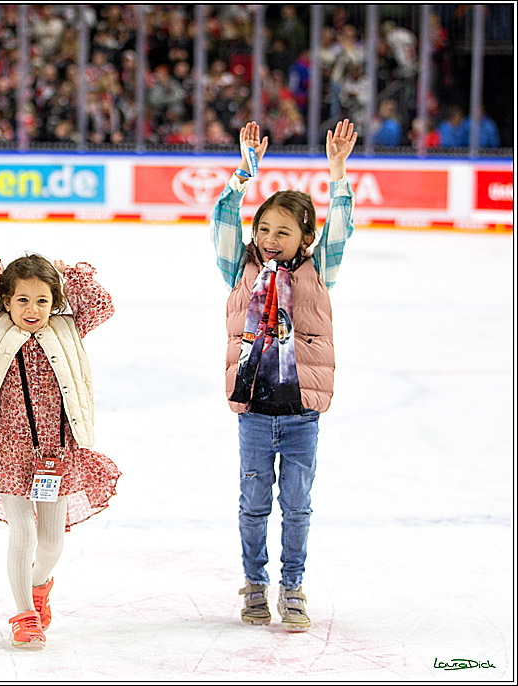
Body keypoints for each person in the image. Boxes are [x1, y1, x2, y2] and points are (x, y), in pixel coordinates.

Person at [210, 119, 357, 633]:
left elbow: (343, 228)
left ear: (305, 238)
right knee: (254, 504)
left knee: (296, 506)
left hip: (301, 414)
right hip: (254, 410)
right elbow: (223, 218)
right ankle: (254, 584)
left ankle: (292, 587)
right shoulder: (239, 267)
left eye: (283, 231)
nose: (271, 239)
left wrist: (337, 174)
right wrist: (244, 174)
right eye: (265, 229)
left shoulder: (319, 272)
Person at [0, 254, 120, 648]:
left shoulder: (68, 328)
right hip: (9, 449)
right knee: (23, 531)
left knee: (51, 542)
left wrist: (68, 274)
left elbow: (102, 303)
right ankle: (23, 615)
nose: (32, 310)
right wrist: (3, 272)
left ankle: (37, 588)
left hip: (56, 451)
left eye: (42, 300)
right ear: (6, 302)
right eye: (22, 300)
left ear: (56, 302)